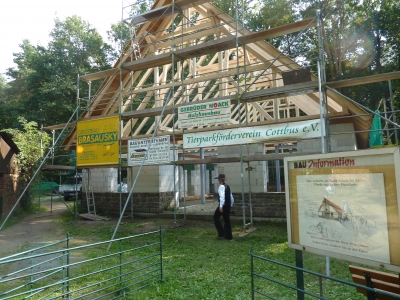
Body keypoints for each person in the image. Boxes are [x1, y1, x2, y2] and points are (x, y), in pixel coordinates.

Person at [213, 174, 234, 240]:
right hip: (228, 205)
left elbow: (222, 197)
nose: (218, 180)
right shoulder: (227, 186)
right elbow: (231, 197)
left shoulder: (221, 187)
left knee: (216, 217)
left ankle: (222, 233)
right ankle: (229, 236)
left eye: (219, 179)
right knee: (226, 220)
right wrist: (230, 205)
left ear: (220, 180)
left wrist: (221, 206)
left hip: (223, 205)